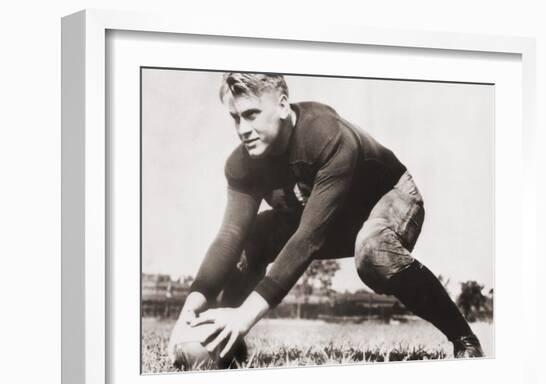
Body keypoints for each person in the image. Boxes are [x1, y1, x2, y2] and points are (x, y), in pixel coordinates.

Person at [167, 72, 484, 367]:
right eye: (235, 118)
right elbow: (229, 236)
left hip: (385, 198)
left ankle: (464, 338)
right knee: (249, 242)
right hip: (323, 218)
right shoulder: (241, 163)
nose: (242, 129)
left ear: (281, 104)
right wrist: (190, 310)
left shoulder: (326, 134)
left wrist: (245, 316)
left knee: (373, 252)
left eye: (251, 114)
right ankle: (227, 348)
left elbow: (308, 238)